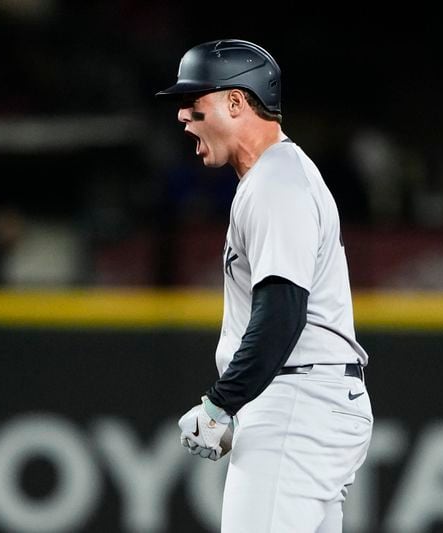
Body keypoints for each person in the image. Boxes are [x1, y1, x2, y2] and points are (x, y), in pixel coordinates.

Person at [155, 39, 373, 533]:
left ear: (236, 101)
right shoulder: (276, 177)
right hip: (307, 396)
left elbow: (281, 314)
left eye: (195, 102)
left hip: (296, 397)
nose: (183, 115)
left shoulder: (277, 182)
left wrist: (220, 403)